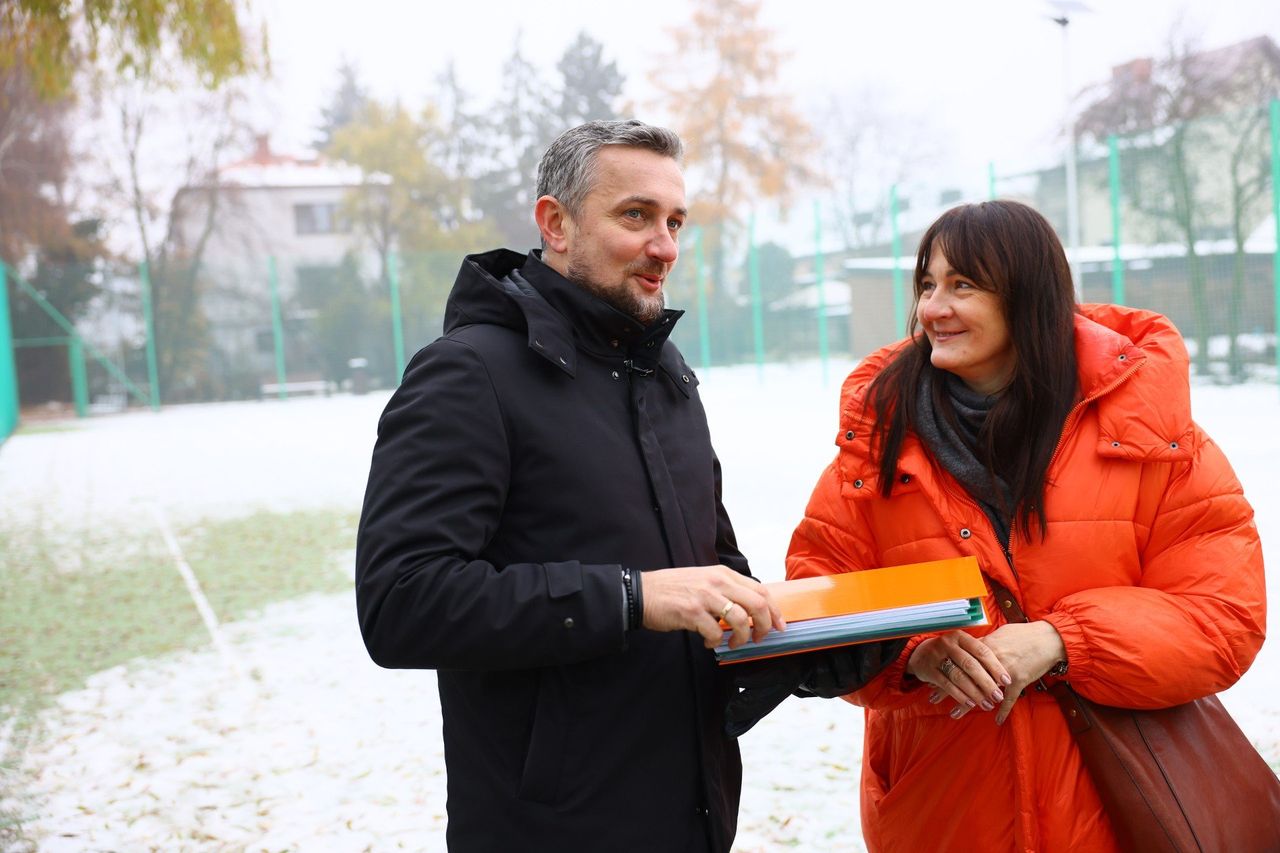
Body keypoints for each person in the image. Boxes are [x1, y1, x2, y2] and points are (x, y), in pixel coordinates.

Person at [355, 119, 891, 852]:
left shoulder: (667, 378)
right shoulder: (468, 374)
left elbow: (715, 587)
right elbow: (402, 601)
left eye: (675, 221)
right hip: (547, 831)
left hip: (691, 820)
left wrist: (873, 635)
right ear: (557, 223)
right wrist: (630, 597)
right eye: (635, 215)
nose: (664, 245)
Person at [778, 200, 1266, 851]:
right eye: (927, 283)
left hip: (1116, 811)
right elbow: (816, 602)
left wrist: (1065, 641)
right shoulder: (877, 444)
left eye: (963, 284)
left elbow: (1224, 616)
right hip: (944, 812)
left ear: (1029, 295)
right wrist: (910, 653)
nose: (933, 308)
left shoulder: (1154, 439)